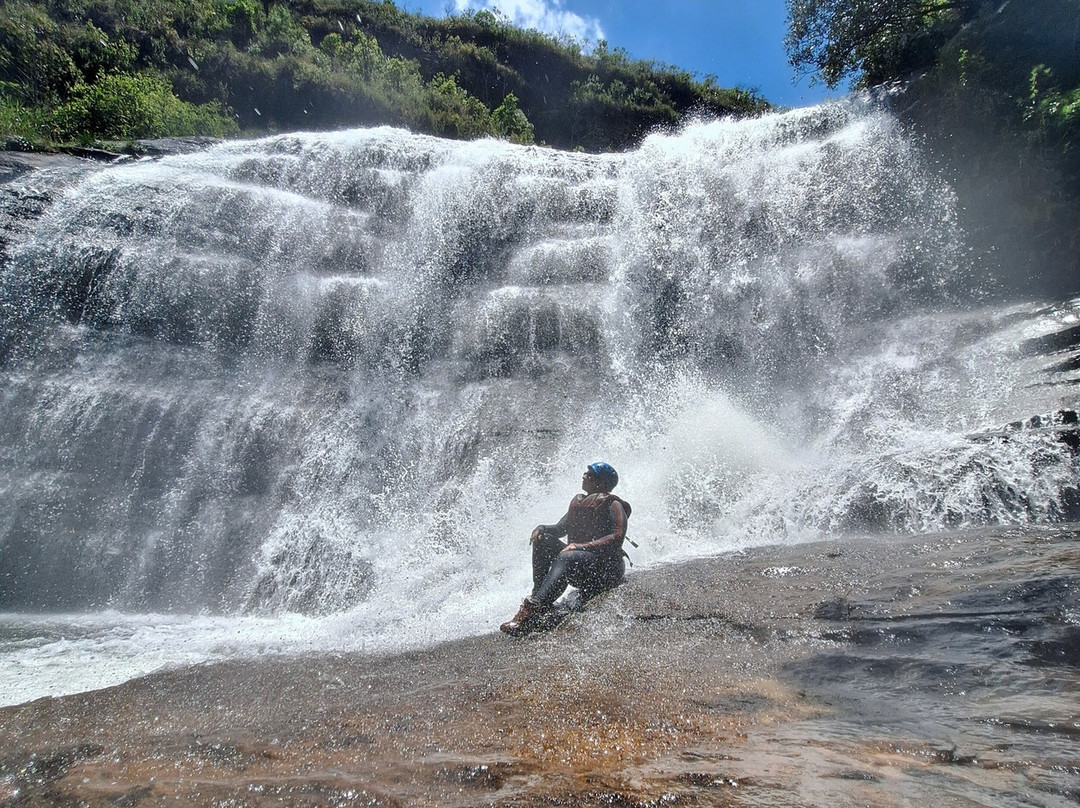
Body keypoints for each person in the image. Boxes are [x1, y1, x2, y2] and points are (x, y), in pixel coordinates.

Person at [500, 462, 632, 636]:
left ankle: (534, 610)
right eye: (586, 472)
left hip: (605, 571)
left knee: (567, 556)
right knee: (544, 540)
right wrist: (541, 528)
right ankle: (539, 596)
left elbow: (616, 537)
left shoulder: (613, 504)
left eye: (590, 474)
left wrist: (581, 547)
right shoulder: (581, 502)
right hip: (583, 566)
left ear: (601, 482)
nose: (584, 476)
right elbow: (559, 529)